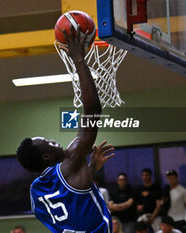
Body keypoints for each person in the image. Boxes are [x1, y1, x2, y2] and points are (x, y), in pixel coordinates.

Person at [16, 25, 115, 233]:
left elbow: (72, 199)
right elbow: (93, 110)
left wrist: (90, 169)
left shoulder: (36, 192)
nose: (55, 142)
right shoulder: (70, 160)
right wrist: (79, 59)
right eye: (50, 143)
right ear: (46, 157)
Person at [135, 168, 162, 233]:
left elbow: (159, 205)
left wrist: (152, 218)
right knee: (139, 228)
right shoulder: (139, 189)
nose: (145, 177)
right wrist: (138, 207)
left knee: (159, 231)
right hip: (143, 216)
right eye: (143, 175)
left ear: (150, 176)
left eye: (146, 175)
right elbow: (136, 203)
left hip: (155, 216)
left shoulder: (156, 188)